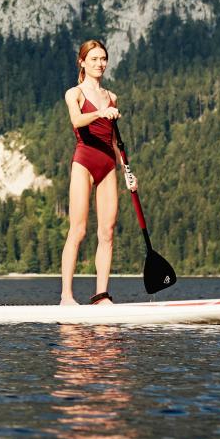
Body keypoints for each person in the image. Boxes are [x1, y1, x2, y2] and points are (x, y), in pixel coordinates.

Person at [60, 38, 125, 307]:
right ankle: (66, 296)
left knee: (107, 232)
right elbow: (77, 120)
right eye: (94, 59)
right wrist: (102, 112)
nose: (100, 63)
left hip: (108, 163)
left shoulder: (111, 97)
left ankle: (101, 295)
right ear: (82, 62)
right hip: (84, 161)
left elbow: (112, 140)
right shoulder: (73, 93)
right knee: (78, 230)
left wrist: (126, 167)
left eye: (103, 59)